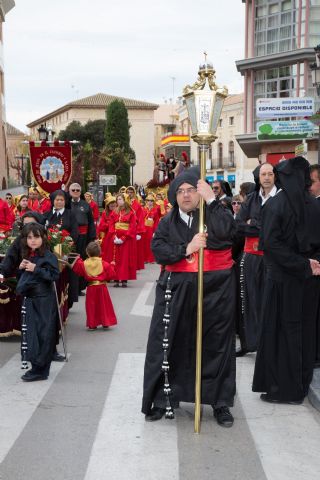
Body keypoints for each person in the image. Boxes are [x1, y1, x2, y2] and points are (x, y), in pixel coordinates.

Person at [142, 167, 236, 427]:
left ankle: (220, 402)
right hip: (177, 289)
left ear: (199, 193)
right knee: (169, 343)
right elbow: (158, 250)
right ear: (175, 196)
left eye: (191, 190)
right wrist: (187, 248)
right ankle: (164, 399)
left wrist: (213, 201)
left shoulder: (213, 212)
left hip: (215, 289)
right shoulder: (166, 221)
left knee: (216, 344)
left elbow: (229, 231)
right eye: (181, 191)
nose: (186, 195)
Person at [252, 156, 320, 404]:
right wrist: (312, 264)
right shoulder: (313, 204)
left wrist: (302, 265)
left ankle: (284, 389)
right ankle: (300, 384)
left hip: (284, 279)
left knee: (282, 332)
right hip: (310, 279)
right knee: (306, 330)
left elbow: (270, 244)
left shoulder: (276, 204)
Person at [235, 163, 277, 357]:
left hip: (273, 259)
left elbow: (278, 228)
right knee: (249, 302)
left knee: (270, 303)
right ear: (258, 177)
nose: (267, 177)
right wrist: (260, 226)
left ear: (275, 176)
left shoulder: (281, 198)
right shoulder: (251, 199)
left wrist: (254, 224)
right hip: (251, 258)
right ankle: (251, 343)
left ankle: (270, 344)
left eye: (270, 174)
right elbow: (238, 226)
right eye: (263, 174)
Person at [16, 223, 60, 381]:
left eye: (36, 237)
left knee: (43, 333)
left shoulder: (49, 256)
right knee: (32, 334)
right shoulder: (29, 254)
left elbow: (54, 276)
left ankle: (41, 369)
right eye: (29, 237)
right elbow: (24, 278)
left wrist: (36, 269)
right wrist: (21, 268)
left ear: (43, 238)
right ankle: (36, 367)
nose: (33, 240)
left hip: (43, 300)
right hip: (30, 299)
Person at [71, 242, 117, 330]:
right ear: (99, 252)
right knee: (103, 305)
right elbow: (112, 275)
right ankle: (105, 322)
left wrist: (78, 259)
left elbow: (78, 270)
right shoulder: (104, 263)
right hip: (102, 287)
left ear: (87, 253)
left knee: (91, 306)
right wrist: (112, 265)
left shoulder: (84, 263)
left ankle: (92, 324)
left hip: (91, 287)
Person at [69, 183, 96, 297]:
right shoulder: (66, 204)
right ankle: (70, 287)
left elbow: (90, 222)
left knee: (81, 261)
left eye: (77, 190)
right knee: (70, 261)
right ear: (69, 191)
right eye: (73, 190)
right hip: (69, 238)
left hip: (83, 237)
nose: (75, 191)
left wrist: (92, 237)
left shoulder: (85, 205)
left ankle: (80, 287)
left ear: (80, 192)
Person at [109, 193, 137, 287]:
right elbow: (111, 225)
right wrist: (114, 237)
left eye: (120, 199)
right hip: (116, 238)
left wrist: (123, 238)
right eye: (117, 199)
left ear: (125, 200)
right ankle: (116, 278)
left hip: (126, 239)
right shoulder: (114, 212)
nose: (118, 201)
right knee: (116, 259)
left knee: (125, 259)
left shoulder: (131, 212)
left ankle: (124, 279)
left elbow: (132, 227)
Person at [97, 196, 117, 262]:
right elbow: (101, 226)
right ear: (108, 205)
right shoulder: (105, 213)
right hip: (108, 235)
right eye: (111, 204)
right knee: (108, 250)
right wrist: (108, 224)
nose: (113, 205)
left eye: (114, 204)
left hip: (117, 234)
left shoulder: (119, 212)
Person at [143, 194, 160, 263]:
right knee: (144, 244)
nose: (150, 202)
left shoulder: (155, 210)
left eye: (151, 201)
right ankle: (144, 259)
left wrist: (155, 231)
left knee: (151, 243)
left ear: (153, 202)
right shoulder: (143, 209)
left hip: (151, 228)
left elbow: (156, 221)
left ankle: (151, 259)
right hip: (144, 228)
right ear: (146, 201)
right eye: (148, 201)